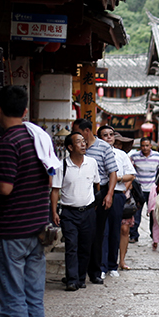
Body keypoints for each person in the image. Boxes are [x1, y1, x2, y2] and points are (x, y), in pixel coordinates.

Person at [0, 86, 52, 317]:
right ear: (25, 110)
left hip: (13, 231)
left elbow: (6, 187)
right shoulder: (35, 137)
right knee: (33, 298)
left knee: (11, 298)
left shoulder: (10, 141)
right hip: (36, 228)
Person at [71, 118, 118, 285]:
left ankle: (95, 271)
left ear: (86, 131)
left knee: (97, 233)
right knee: (80, 234)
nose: (74, 135)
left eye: (76, 131)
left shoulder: (104, 147)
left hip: (99, 193)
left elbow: (112, 173)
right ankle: (76, 273)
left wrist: (109, 195)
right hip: (79, 193)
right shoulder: (77, 147)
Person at [50, 132, 99, 292]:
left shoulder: (92, 163)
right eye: (79, 142)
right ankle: (71, 280)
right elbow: (55, 191)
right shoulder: (61, 166)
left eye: (84, 141)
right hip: (69, 213)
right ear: (70, 147)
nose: (84, 144)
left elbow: (96, 185)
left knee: (86, 246)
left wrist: (94, 205)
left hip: (88, 212)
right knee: (71, 245)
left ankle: (80, 277)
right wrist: (54, 212)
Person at [101, 128, 135, 277]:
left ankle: (112, 265)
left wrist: (118, 178)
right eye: (105, 135)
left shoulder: (121, 155)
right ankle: (100, 266)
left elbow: (131, 175)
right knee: (102, 231)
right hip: (100, 192)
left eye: (111, 135)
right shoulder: (94, 152)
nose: (109, 138)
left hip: (117, 194)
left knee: (115, 230)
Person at [127, 137, 159, 244]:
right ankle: (134, 235)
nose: (145, 148)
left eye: (147, 145)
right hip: (139, 190)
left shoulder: (158, 157)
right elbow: (130, 169)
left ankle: (155, 235)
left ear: (151, 146)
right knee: (136, 212)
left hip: (152, 190)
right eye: (143, 146)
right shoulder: (134, 157)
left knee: (154, 214)